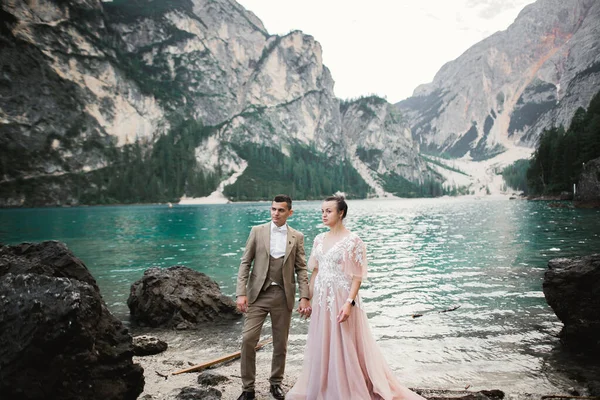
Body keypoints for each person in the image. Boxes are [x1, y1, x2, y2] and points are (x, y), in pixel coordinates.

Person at [286, 195, 426, 400]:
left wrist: (349, 303)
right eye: (322, 211)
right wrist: (307, 298)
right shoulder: (319, 238)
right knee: (322, 342)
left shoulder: (353, 241)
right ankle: (325, 384)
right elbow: (315, 272)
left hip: (343, 298)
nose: (324, 215)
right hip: (322, 299)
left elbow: (357, 277)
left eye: (329, 211)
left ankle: (350, 386)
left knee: (346, 343)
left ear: (341, 213)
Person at [235, 194, 311, 400]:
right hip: (257, 295)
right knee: (248, 339)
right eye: (273, 209)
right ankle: (247, 388)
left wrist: (305, 296)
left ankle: (276, 383)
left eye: (281, 210)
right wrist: (241, 293)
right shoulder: (257, 231)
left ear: (290, 213)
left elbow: (301, 268)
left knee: (281, 343)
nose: (276, 213)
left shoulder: (297, 236)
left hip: (283, 295)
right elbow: (245, 263)